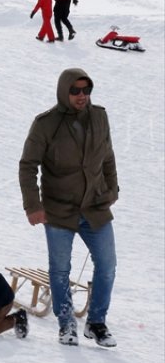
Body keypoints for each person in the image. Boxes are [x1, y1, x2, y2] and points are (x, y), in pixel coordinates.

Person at [19, 68, 118, 347]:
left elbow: (108, 156)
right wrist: (33, 206)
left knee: (108, 266)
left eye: (86, 90)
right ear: (64, 91)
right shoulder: (45, 124)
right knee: (60, 269)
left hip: (96, 206)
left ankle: (96, 322)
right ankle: (66, 324)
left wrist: (112, 189)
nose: (81, 95)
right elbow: (28, 166)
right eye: (75, 90)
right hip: (59, 208)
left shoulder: (99, 116)